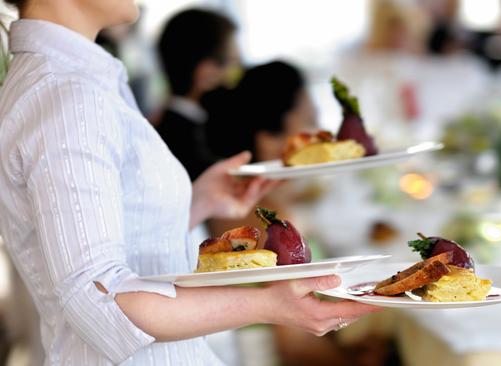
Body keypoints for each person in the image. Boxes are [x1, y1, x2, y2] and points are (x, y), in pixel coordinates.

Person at [0, 1, 379, 365]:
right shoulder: (68, 96)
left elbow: (105, 246)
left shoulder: (78, 80)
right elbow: (100, 299)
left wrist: (195, 203)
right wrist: (267, 304)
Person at [156, 8, 239, 181]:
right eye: (231, 62)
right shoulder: (190, 143)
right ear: (205, 71)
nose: (236, 72)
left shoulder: (163, 125)